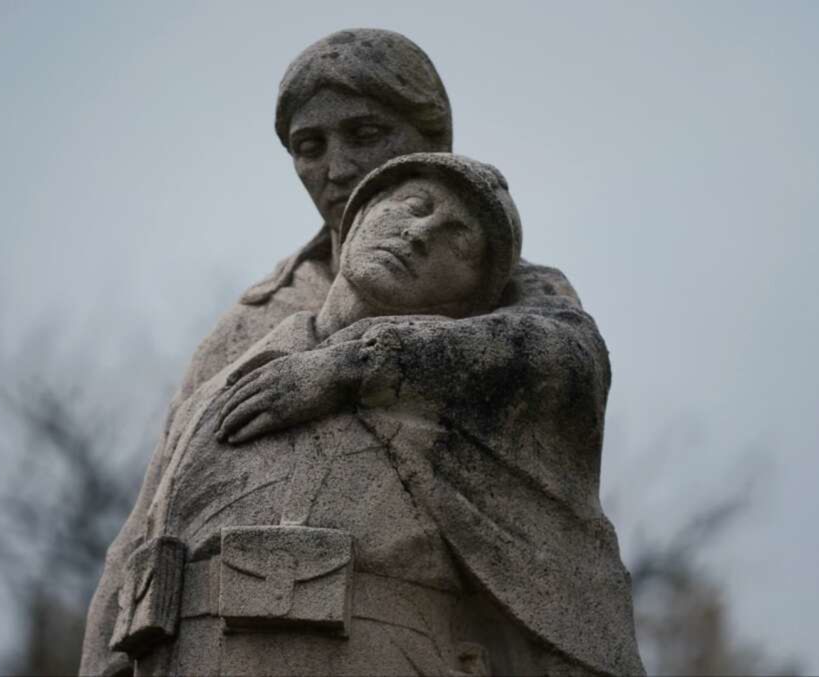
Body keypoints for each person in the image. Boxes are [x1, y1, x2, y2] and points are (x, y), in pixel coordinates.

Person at [81, 30, 643, 677]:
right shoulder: (255, 316)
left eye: (367, 134)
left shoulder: (495, 279)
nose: (337, 167)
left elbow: (567, 358)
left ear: (431, 138)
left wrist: (354, 366)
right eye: (310, 147)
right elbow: (147, 518)